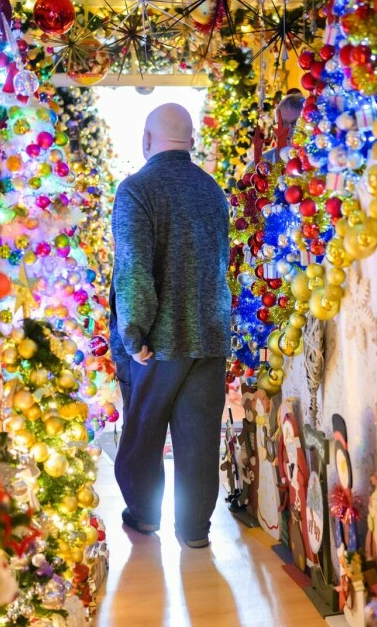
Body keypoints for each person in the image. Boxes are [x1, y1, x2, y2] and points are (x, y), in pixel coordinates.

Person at [109, 103, 231, 548]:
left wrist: (133, 331)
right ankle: (195, 530)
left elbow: (133, 268)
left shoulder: (137, 189)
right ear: (191, 140)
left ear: (146, 140)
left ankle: (144, 517)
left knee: (143, 433)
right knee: (199, 437)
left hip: (156, 343)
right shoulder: (212, 190)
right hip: (211, 335)